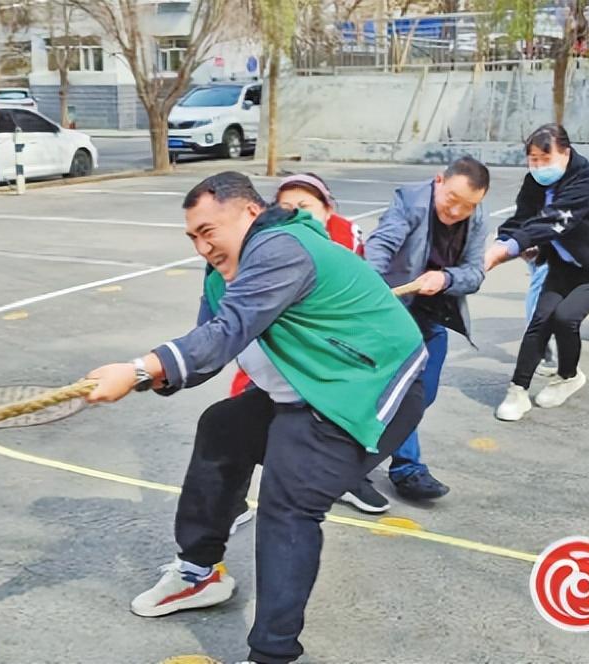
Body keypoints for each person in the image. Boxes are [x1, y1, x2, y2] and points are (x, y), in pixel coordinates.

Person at [84, 172, 428, 664]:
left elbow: (228, 330)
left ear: (249, 212)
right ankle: (199, 573)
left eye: (209, 231)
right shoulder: (222, 271)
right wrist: (148, 377)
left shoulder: (280, 247)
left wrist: (140, 366)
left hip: (366, 386)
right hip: (306, 385)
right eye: (193, 237)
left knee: (288, 502)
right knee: (222, 428)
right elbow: (212, 344)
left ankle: (272, 655)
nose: (203, 247)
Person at [227, 172, 391, 516]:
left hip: (327, 345)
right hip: (273, 339)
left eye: (304, 206)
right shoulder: (264, 241)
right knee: (238, 415)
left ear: (327, 210)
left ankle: (347, 479)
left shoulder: (344, 236)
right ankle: (232, 498)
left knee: (346, 409)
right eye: (286, 207)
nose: (295, 213)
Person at [485, 125, 589, 421]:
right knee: (541, 319)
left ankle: (568, 376)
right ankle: (517, 390)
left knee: (566, 318)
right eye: (532, 159)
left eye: (544, 158)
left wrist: (504, 252)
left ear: (565, 153)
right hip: (564, 261)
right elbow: (523, 217)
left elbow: (553, 222)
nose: (538, 166)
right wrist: (504, 240)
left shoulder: (585, 186)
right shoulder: (535, 182)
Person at [365, 156, 490, 501]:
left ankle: (362, 463)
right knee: (403, 394)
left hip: (435, 314)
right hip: (393, 313)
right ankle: (406, 469)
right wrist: (370, 289)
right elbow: (381, 244)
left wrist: (446, 278)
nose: (456, 212)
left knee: (423, 394)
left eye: (467, 206)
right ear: (439, 181)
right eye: (452, 199)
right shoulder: (410, 201)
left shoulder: (476, 217)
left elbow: (475, 273)